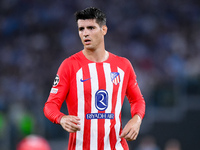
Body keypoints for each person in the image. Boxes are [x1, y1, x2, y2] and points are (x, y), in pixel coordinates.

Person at [43, 7, 145, 150]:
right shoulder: (69, 66)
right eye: (81, 29)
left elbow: (137, 100)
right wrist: (62, 118)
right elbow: (50, 105)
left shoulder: (123, 66)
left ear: (104, 30)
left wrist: (137, 119)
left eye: (91, 28)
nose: (85, 33)